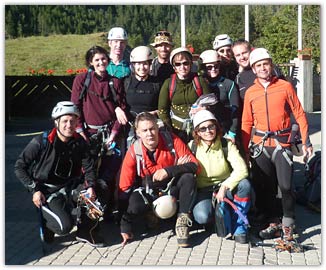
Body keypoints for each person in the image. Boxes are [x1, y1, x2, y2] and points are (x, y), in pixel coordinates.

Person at [241, 48, 313, 251]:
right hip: (260, 144)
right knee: (265, 188)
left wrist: (306, 141)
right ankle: (273, 221)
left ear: (271, 65)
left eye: (266, 64)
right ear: (253, 69)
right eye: (258, 65)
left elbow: (299, 113)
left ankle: (288, 223)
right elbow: (246, 122)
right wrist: (245, 149)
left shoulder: (284, 86)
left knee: (286, 186)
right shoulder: (250, 93)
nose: (263, 68)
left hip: (282, 143)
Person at [14, 101, 106, 247]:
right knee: (64, 227)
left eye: (72, 121)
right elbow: (20, 167)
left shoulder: (80, 142)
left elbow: (89, 168)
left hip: (70, 186)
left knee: (100, 187)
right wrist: (35, 190)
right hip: (47, 191)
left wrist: (91, 187)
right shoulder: (41, 142)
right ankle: (48, 223)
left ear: (77, 122)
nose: (69, 125)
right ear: (56, 122)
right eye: (64, 121)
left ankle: (85, 232)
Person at [118, 112, 199, 247]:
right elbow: (123, 188)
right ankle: (151, 213)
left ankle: (182, 221)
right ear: (138, 133)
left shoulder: (171, 140)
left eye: (152, 128)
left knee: (188, 177)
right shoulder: (133, 151)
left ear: (157, 127)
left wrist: (168, 171)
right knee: (134, 205)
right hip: (149, 190)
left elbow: (194, 165)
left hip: (172, 188)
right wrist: (124, 226)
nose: (149, 134)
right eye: (144, 130)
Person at [71, 45, 127, 220]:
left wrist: (114, 134)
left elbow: (122, 108)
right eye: (97, 60)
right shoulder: (82, 80)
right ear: (90, 62)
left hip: (110, 133)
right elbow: (75, 106)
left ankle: (108, 209)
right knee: (87, 173)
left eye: (103, 59)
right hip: (88, 133)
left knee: (109, 173)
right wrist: (80, 131)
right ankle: (85, 211)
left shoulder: (115, 82)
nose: (101, 62)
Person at [189, 110, 251, 244]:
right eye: (203, 128)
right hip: (204, 190)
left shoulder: (226, 144)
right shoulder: (192, 147)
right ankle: (218, 217)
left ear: (216, 127)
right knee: (202, 217)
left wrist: (225, 186)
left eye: (211, 126)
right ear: (197, 132)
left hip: (226, 188)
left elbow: (242, 169)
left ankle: (239, 225)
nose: (208, 131)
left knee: (245, 184)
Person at [157, 47, 211, 143]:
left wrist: (204, 109)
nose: (182, 67)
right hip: (176, 131)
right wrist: (170, 131)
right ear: (174, 67)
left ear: (191, 64)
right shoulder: (168, 83)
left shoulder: (199, 81)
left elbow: (211, 102)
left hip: (199, 130)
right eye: (178, 64)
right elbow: (162, 110)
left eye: (185, 63)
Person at [199, 49, 240, 144]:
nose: (213, 69)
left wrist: (232, 133)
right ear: (204, 68)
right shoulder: (200, 84)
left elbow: (235, 110)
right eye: (209, 67)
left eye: (216, 66)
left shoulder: (229, 84)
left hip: (226, 128)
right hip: (206, 130)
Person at [124, 45, 161, 147]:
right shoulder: (126, 83)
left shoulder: (157, 84)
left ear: (150, 64)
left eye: (145, 64)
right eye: (138, 64)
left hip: (151, 129)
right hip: (131, 128)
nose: (142, 67)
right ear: (133, 65)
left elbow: (163, 107)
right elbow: (120, 103)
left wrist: (153, 114)